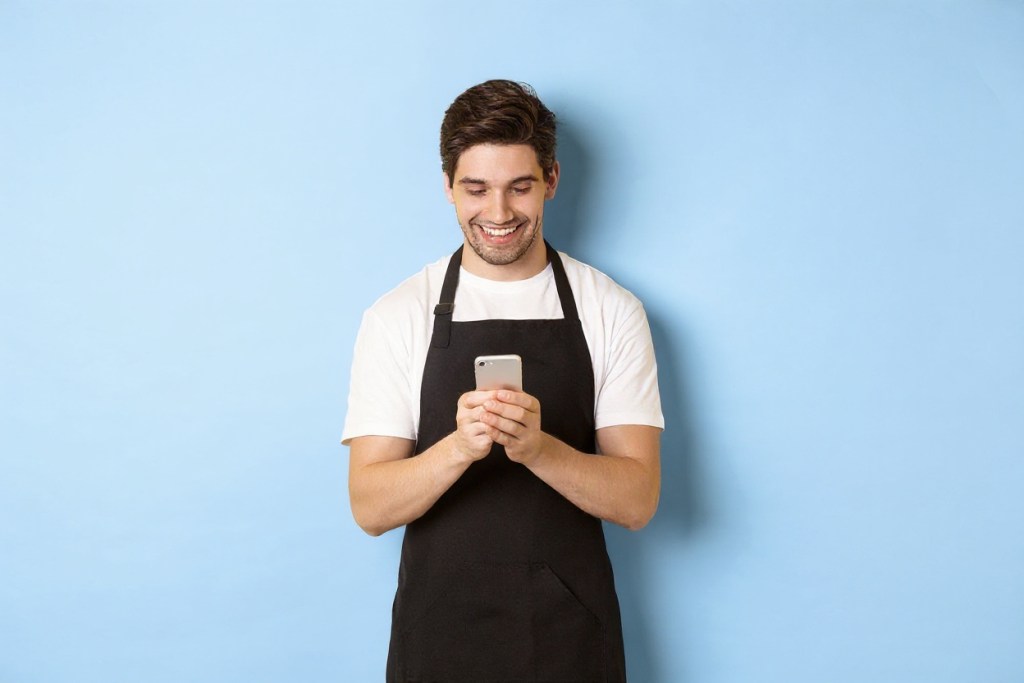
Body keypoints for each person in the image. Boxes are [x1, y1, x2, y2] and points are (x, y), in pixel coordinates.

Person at [342, 79, 664, 682]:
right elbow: (370, 506)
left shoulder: (610, 309)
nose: (498, 213)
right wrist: (460, 448)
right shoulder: (398, 316)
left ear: (552, 181)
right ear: (447, 188)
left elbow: (638, 499)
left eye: (520, 187)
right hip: (437, 637)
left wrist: (537, 449)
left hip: (570, 638)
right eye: (476, 189)